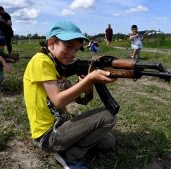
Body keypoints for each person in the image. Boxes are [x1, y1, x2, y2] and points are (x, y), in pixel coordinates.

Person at [23, 20, 117, 169]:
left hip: (62, 124)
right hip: (48, 135)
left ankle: (67, 148)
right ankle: (71, 156)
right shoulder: (41, 61)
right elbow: (58, 102)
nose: (72, 54)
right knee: (108, 117)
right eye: (68, 47)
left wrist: (85, 84)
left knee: (108, 141)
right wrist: (89, 80)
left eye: (77, 50)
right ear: (52, 42)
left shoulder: (56, 65)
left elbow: (78, 99)